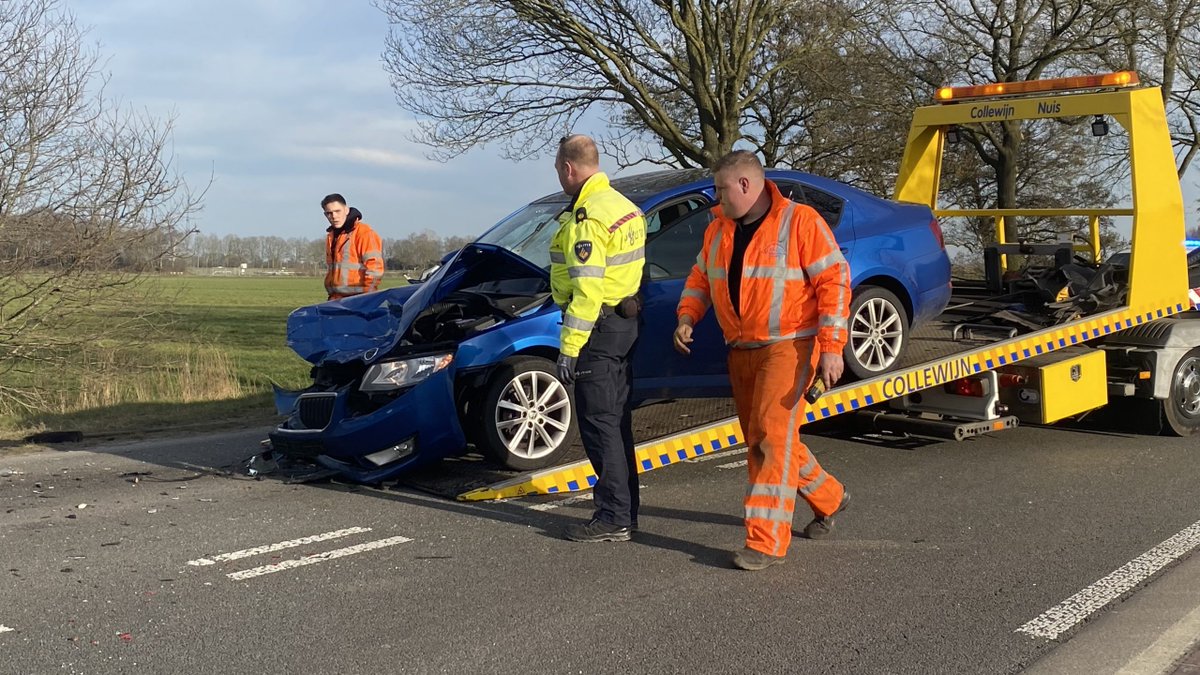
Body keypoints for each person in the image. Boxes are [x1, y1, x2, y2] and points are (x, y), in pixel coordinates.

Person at [673, 151, 852, 571]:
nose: (716, 196)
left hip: (790, 346)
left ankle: (766, 542)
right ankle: (830, 497)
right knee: (767, 438)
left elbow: (835, 282)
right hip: (742, 349)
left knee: (769, 440)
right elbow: (700, 278)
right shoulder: (718, 229)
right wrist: (686, 317)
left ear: (745, 185)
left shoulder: (800, 221)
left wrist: (832, 348)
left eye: (721, 188)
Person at [550, 135, 647, 543]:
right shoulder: (626, 207)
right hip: (624, 324)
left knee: (599, 426)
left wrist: (569, 349)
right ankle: (625, 511)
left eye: (559, 171)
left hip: (598, 330)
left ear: (568, 168)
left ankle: (613, 517)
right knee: (616, 423)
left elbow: (587, 292)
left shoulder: (588, 217)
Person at [321, 193, 384, 300]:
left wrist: (368, 297)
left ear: (346, 210)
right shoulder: (332, 236)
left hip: (358, 299)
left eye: (337, 211)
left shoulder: (364, 233)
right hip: (336, 298)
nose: (334, 216)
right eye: (329, 213)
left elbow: (375, 268)